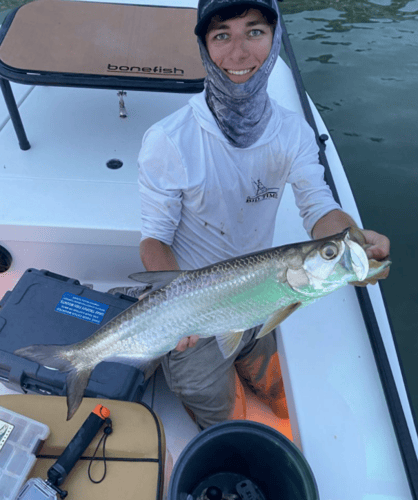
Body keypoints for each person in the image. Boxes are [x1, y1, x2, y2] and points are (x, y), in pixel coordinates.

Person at [135, 0, 390, 429]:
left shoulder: (292, 131)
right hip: (194, 300)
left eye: (255, 32)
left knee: (289, 399)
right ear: (204, 47)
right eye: (222, 35)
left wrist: (354, 240)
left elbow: (319, 207)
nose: (239, 53)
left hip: (262, 292)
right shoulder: (169, 140)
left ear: (275, 41)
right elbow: (153, 240)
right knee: (224, 418)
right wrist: (179, 310)